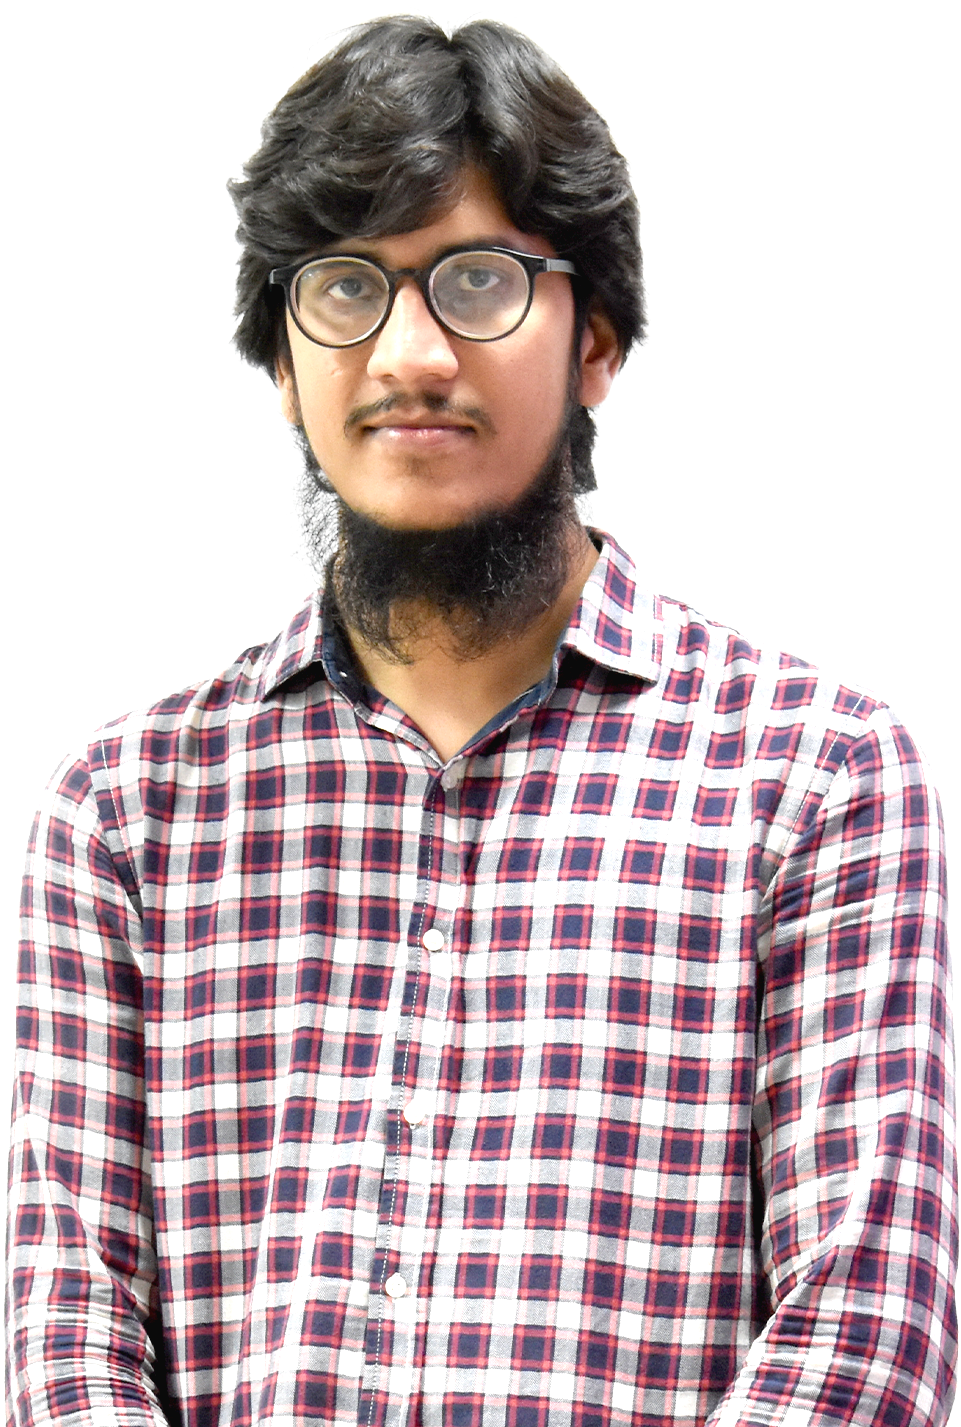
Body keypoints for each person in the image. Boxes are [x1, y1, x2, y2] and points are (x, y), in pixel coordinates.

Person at [6, 15, 956, 1427]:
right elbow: (64, 1324)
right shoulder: (128, 811)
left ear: (598, 342)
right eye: (344, 287)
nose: (410, 353)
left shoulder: (815, 779)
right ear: (283, 364)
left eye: (480, 281)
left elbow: (866, 1333)